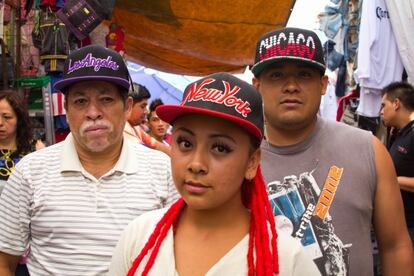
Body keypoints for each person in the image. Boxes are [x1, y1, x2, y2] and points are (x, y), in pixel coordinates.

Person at [108, 73, 320, 276]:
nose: (196, 164)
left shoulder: (286, 260)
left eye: (220, 148)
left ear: (252, 162)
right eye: (185, 143)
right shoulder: (139, 237)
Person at [0, 45, 178, 276]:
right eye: (80, 101)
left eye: (106, 99)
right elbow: (5, 261)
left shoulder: (163, 171)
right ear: (66, 109)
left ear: (127, 107)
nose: (93, 112)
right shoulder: (30, 172)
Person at [251, 27, 413, 276]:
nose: (291, 86)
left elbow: (395, 247)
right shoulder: (239, 160)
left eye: (304, 75)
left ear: (323, 84)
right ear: (257, 86)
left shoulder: (368, 150)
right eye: (276, 75)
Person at [0, 91, 36, 276]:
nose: (0, 123)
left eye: (7, 117)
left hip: (24, 244)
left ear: (19, 119)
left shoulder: (35, 150)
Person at [380, 81, 414, 242]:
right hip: (397, 222)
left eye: (383, 105)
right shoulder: (399, 132)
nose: (381, 112)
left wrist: (392, 180)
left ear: (396, 104)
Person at [124, 84, 171, 156]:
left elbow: (154, 143)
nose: (146, 111)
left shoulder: (136, 128)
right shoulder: (122, 130)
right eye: (143, 106)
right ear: (129, 104)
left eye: (163, 120)